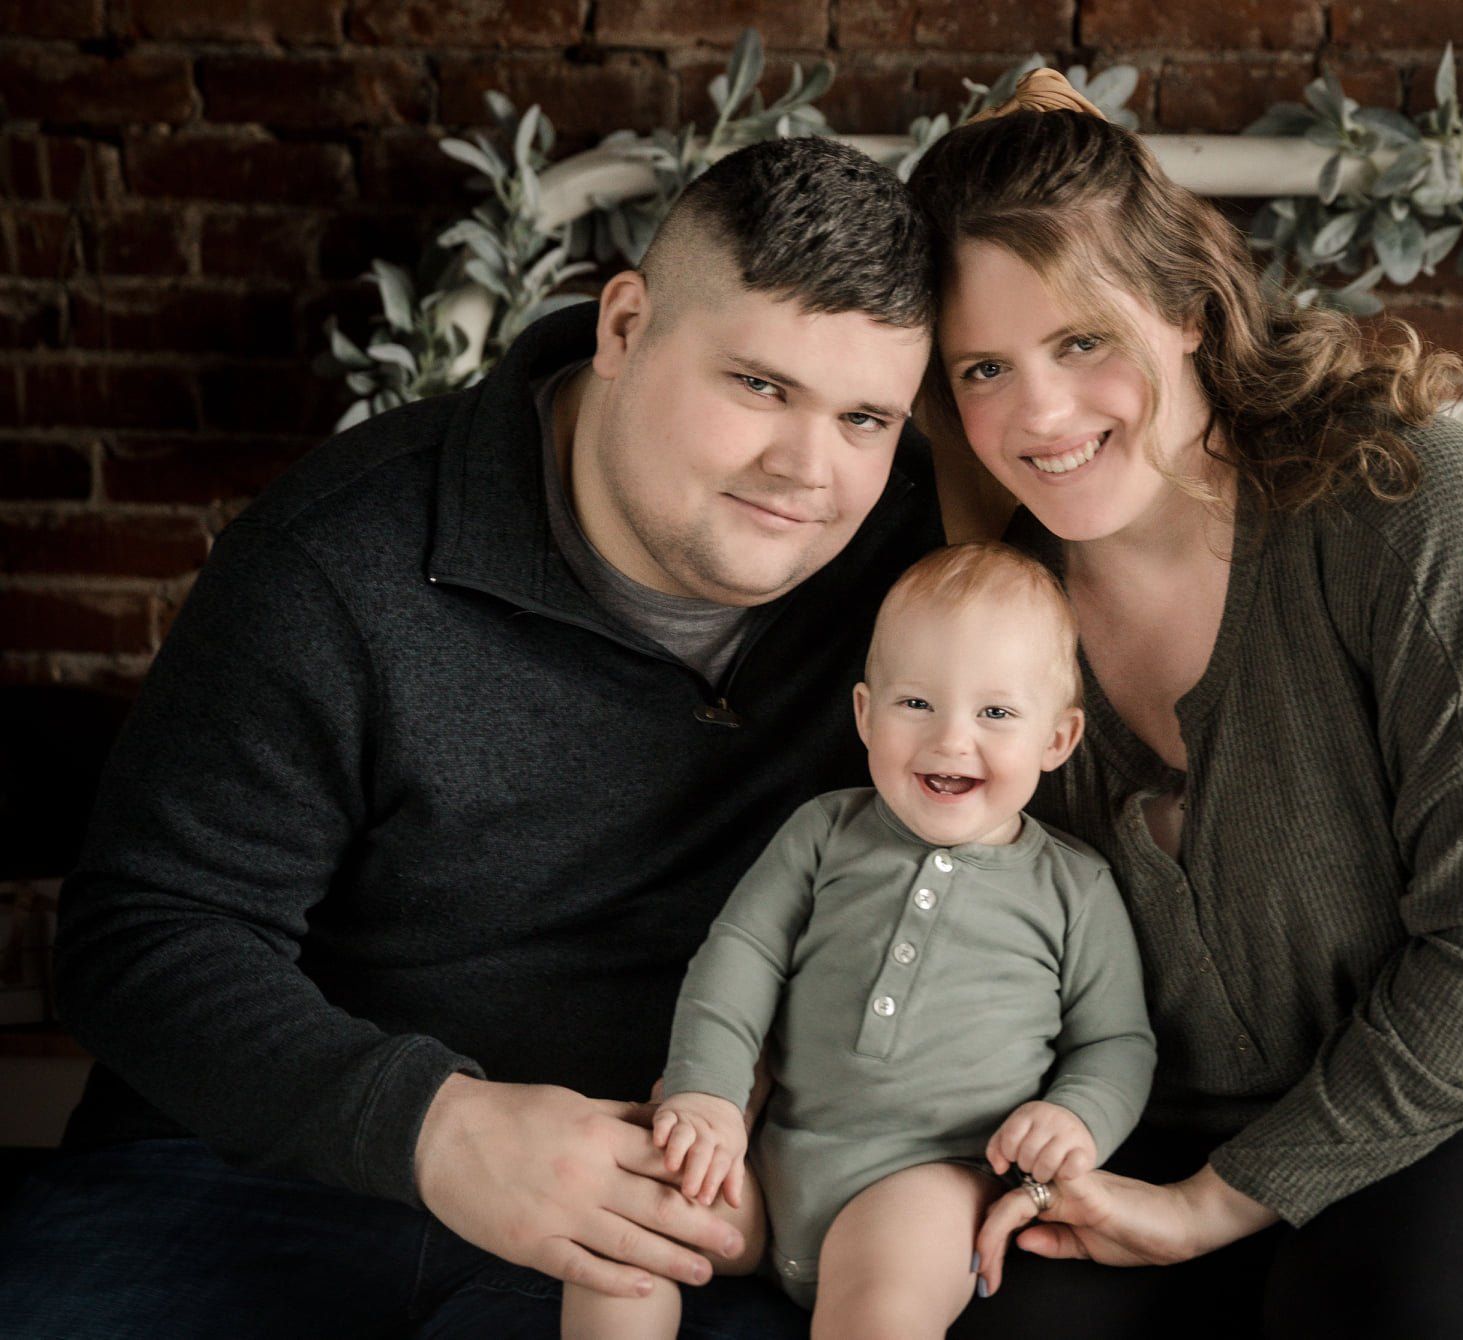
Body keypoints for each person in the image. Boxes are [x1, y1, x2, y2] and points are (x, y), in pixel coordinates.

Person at [0, 136, 942, 1338]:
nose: (807, 469)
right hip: (258, 1173)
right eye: (757, 384)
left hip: (674, 1206)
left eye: (863, 414)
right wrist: (435, 1123)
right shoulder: (340, 553)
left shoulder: (921, 565)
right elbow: (145, 934)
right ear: (623, 324)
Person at [907, 72, 1463, 1339]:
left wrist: (1213, 1205)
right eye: (982, 367)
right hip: (1168, 1149)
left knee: (1387, 1305)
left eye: (1080, 339)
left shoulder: (1414, 505)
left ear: (1185, 305)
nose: (1041, 413)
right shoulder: (987, 615)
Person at [565, 541, 1158, 1338]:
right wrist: (706, 1092)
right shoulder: (823, 832)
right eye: (916, 704)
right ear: (864, 714)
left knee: (882, 1313)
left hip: (929, 1177)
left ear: (1056, 739)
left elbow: (1118, 1038)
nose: (951, 741)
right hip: (767, 1155)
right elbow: (739, 958)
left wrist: (1078, 1117)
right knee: (621, 1222)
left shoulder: (1073, 887)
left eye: (995, 713)